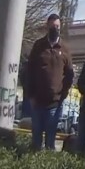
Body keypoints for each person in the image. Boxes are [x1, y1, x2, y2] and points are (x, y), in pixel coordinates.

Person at [26, 13, 74, 151]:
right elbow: (29, 71)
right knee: (36, 139)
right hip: (37, 101)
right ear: (47, 26)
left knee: (50, 141)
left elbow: (70, 74)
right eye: (52, 26)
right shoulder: (38, 46)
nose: (55, 29)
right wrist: (31, 95)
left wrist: (63, 94)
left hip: (55, 103)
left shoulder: (64, 49)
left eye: (57, 26)